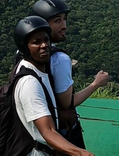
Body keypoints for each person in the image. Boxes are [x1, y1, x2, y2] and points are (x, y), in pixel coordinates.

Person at [31, 0, 109, 147]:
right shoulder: (60, 59)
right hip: (58, 133)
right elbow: (68, 103)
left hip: (32, 129)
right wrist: (96, 84)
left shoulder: (24, 51)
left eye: (64, 19)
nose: (64, 25)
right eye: (57, 21)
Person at [13, 15, 95, 156]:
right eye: (36, 42)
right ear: (25, 47)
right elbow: (48, 131)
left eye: (46, 39)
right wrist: (81, 153)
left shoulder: (37, 72)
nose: (44, 45)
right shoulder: (30, 82)